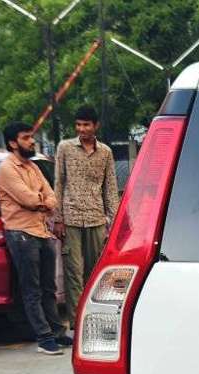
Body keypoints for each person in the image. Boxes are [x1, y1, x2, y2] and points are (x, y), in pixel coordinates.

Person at [0, 122, 71, 356]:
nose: (31, 141)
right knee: (32, 290)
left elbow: (51, 196)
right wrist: (42, 202)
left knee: (49, 288)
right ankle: (43, 338)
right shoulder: (7, 168)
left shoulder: (32, 166)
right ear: (12, 143)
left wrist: (44, 202)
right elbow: (28, 199)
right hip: (21, 234)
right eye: (26, 137)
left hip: (41, 231)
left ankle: (58, 332)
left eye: (31, 137)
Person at [52, 104, 119, 327]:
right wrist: (58, 218)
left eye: (86, 125)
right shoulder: (65, 148)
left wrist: (115, 222)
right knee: (74, 275)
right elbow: (59, 183)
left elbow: (110, 189)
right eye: (78, 125)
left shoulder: (106, 152)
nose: (81, 129)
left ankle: (95, 321)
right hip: (71, 220)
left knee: (95, 275)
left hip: (96, 220)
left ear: (95, 126)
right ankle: (77, 323)